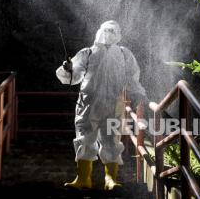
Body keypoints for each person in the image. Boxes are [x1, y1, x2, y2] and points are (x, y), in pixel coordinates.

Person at [56, 20, 147, 191]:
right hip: (88, 103)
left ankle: (110, 180)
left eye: (113, 30)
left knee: (112, 140)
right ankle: (83, 178)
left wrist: (139, 94)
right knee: (84, 139)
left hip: (114, 103)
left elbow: (133, 77)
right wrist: (68, 68)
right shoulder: (87, 53)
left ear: (118, 33)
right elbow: (74, 75)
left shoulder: (124, 54)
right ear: (100, 31)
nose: (109, 33)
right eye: (106, 29)